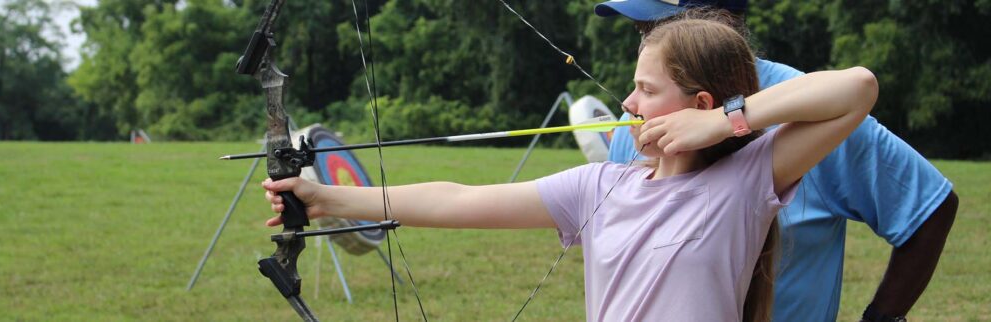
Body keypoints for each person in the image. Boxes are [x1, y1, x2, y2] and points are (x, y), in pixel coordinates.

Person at [264, 16, 878, 321]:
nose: (628, 105)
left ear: (697, 104)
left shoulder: (745, 181)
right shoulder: (599, 186)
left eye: (644, 90)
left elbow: (857, 87)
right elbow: (455, 199)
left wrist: (726, 124)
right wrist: (326, 201)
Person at [593, 1, 958, 321]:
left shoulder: (818, 111)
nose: (645, 43)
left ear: (719, 23)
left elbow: (929, 206)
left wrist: (880, 319)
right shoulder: (638, 120)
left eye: (657, 26)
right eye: (641, 30)